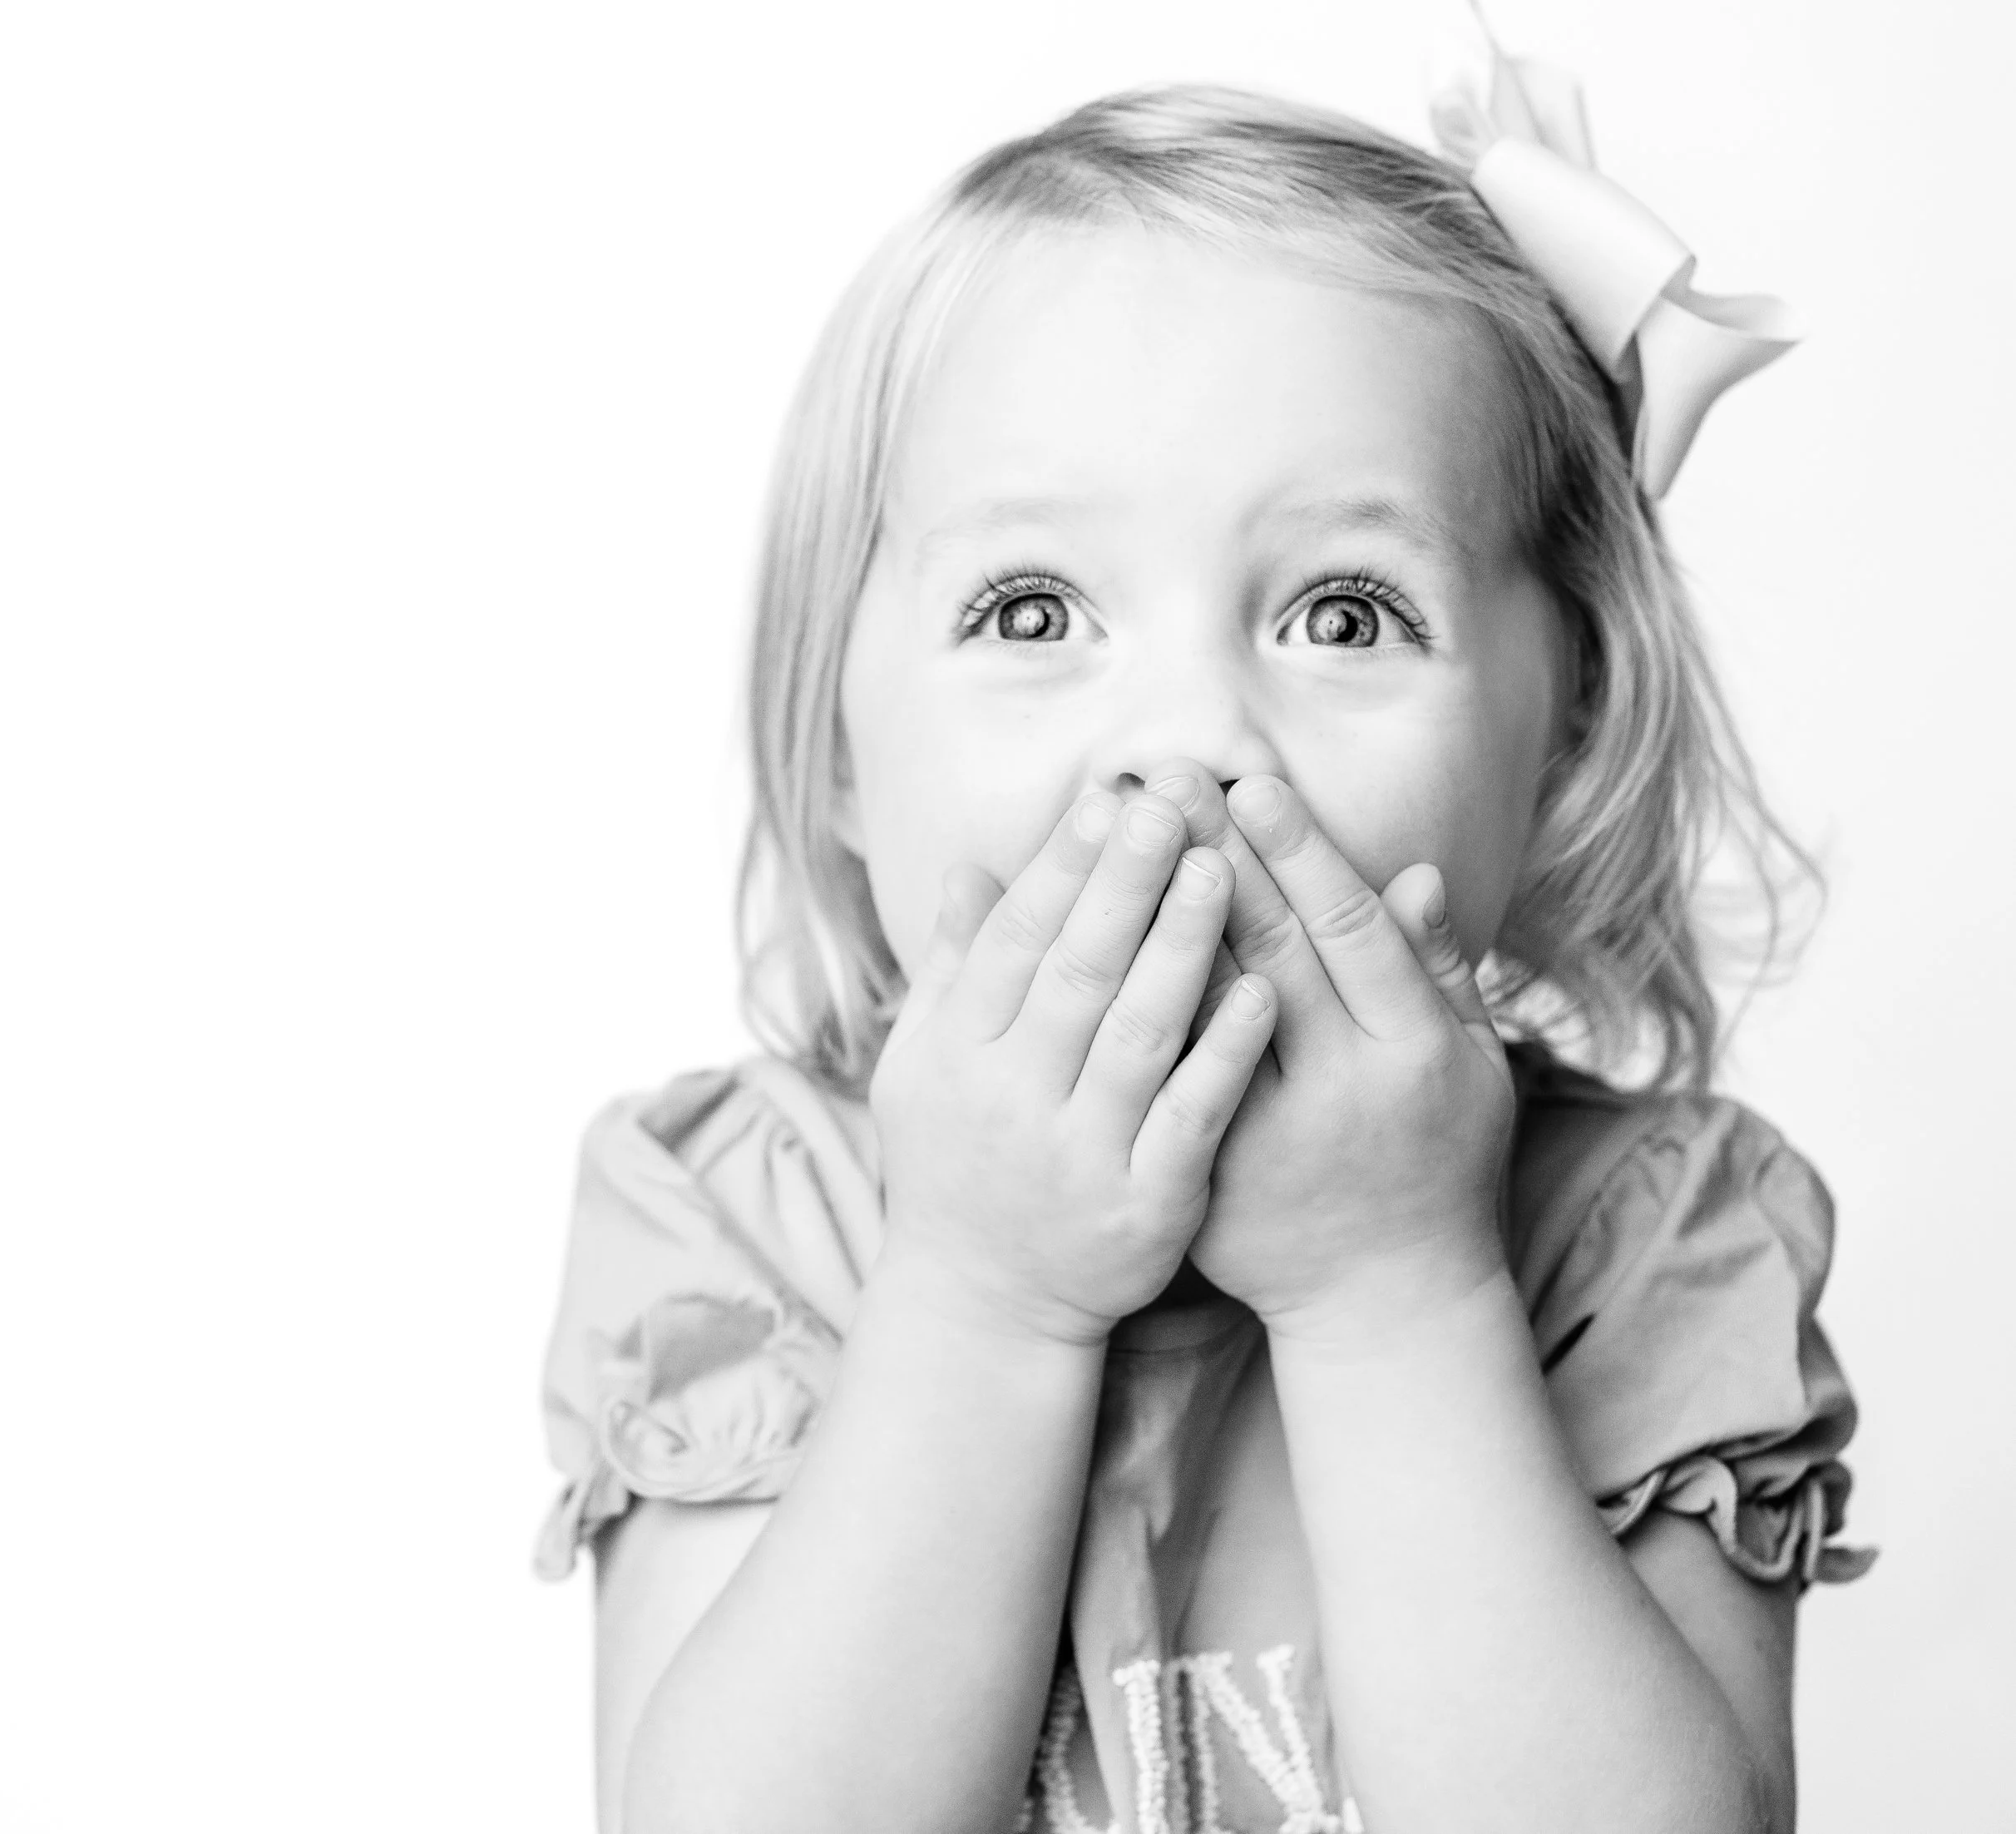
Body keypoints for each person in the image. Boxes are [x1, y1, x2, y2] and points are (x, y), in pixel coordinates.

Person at [536, 42, 1872, 1834]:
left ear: (1560, 736)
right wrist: (979, 1295)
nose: (1187, 736)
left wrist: (1395, 1292)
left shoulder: (1645, 1240)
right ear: (837, 744)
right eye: (1029, 607)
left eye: (1341, 610)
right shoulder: (748, 1216)